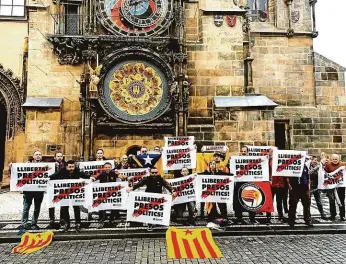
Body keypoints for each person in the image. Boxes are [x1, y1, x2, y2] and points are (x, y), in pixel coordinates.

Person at [126, 167, 176, 231]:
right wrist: (132, 188)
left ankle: (158, 223)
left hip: (158, 198)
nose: (154, 174)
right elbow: (139, 184)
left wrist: (172, 191)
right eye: (153, 173)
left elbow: (167, 185)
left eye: (156, 172)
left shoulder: (160, 179)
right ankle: (150, 224)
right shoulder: (147, 179)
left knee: (157, 211)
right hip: (149, 198)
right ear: (150, 173)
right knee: (149, 211)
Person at [50, 160, 90, 233]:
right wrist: (46, 179)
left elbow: (85, 176)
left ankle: (78, 224)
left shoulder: (77, 171)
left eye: (73, 167)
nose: (71, 168)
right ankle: (67, 224)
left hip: (75, 194)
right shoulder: (62, 171)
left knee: (76, 208)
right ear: (66, 167)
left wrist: (91, 178)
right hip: (65, 194)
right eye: (70, 167)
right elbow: (54, 176)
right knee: (65, 208)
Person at [91, 162, 127, 229]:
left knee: (114, 206)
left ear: (111, 167)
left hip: (112, 194)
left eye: (109, 167)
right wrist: (92, 179)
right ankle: (101, 221)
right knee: (101, 207)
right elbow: (94, 178)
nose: (107, 168)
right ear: (104, 168)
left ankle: (112, 220)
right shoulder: (101, 173)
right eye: (106, 167)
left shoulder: (114, 172)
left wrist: (123, 177)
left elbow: (123, 176)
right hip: (103, 193)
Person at [18, 150, 45, 235]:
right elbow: (19, 172)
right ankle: (24, 223)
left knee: (37, 208)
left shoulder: (45, 165)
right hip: (28, 190)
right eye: (36, 154)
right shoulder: (27, 164)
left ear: (41, 157)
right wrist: (11, 166)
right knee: (26, 207)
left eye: (39, 154)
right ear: (33, 156)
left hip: (39, 191)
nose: (38, 156)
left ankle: (34, 223)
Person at [233, 146, 257, 224]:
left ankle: (252, 218)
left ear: (247, 152)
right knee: (238, 200)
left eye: (245, 151)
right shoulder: (236, 160)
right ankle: (239, 217)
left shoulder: (251, 160)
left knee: (250, 200)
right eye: (242, 151)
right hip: (239, 183)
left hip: (248, 183)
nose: (243, 152)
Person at [203, 161, 228, 229]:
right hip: (211, 193)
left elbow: (227, 176)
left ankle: (224, 217)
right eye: (211, 164)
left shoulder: (219, 172)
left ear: (216, 165)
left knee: (222, 204)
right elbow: (200, 176)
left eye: (214, 164)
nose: (212, 165)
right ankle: (211, 218)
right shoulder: (206, 172)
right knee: (211, 206)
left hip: (219, 192)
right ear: (209, 165)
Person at [287, 161, 313, 227]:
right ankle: (291, 220)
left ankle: (307, 219)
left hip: (304, 189)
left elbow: (307, 177)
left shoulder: (305, 167)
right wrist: (290, 186)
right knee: (293, 205)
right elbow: (288, 177)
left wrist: (308, 187)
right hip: (295, 188)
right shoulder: (292, 167)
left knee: (307, 205)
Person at [266, 148, 288, 224]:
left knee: (279, 201)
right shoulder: (268, 160)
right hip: (271, 184)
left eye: (273, 152)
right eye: (270, 152)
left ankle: (280, 216)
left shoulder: (281, 160)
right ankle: (268, 216)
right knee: (270, 201)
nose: (271, 153)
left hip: (280, 184)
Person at [324, 154, 346, 221]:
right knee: (331, 201)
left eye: (336, 159)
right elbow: (325, 173)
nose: (335, 160)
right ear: (331, 159)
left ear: (339, 159)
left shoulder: (343, 164)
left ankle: (342, 216)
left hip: (340, 186)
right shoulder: (328, 165)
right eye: (333, 159)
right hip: (331, 186)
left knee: (341, 200)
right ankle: (333, 215)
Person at [48, 151, 66, 229]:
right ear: (55, 157)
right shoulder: (50, 164)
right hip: (52, 187)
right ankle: (52, 220)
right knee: (51, 202)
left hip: (62, 186)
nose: (59, 158)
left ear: (63, 157)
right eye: (58, 156)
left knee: (63, 203)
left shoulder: (65, 165)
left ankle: (62, 219)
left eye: (61, 156)